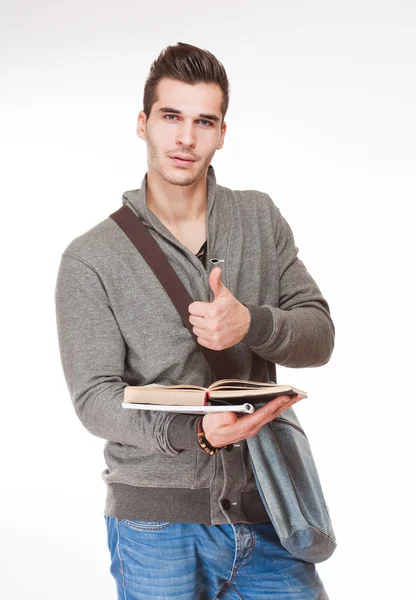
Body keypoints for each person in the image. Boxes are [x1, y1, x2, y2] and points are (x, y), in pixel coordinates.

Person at [55, 42, 335, 600]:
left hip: (267, 510)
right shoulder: (90, 257)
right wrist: (195, 433)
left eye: (204, 121)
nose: (186, 137)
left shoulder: (258, 216)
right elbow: (94, 398)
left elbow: (319, 334)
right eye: (171, 117)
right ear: (144, 124)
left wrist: (251, 324)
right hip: (154, 526)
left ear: (222, 132)